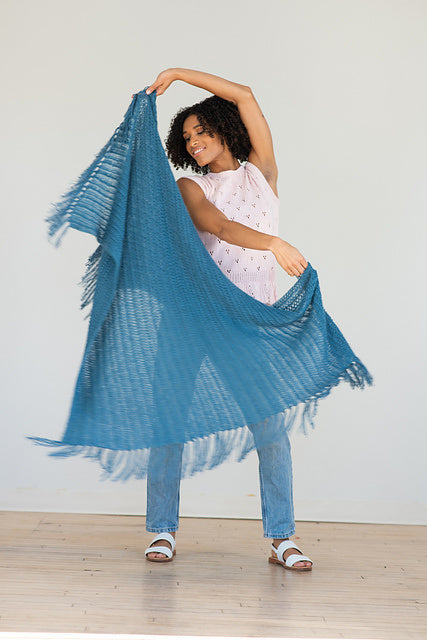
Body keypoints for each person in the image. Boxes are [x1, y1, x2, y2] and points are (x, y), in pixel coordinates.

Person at [143, 68, 312, 571]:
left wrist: (177, 73)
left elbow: (245, 95)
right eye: (186, 137)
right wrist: (273, 242)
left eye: (202, 130)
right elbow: (217, 225)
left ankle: (282, 538)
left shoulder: (262, 173)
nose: (193, 141)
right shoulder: (189, 186)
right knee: (168, 422)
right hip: (192, 317)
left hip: (250, 320)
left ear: (224, 129)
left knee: (270, 429)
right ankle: (162, 529)